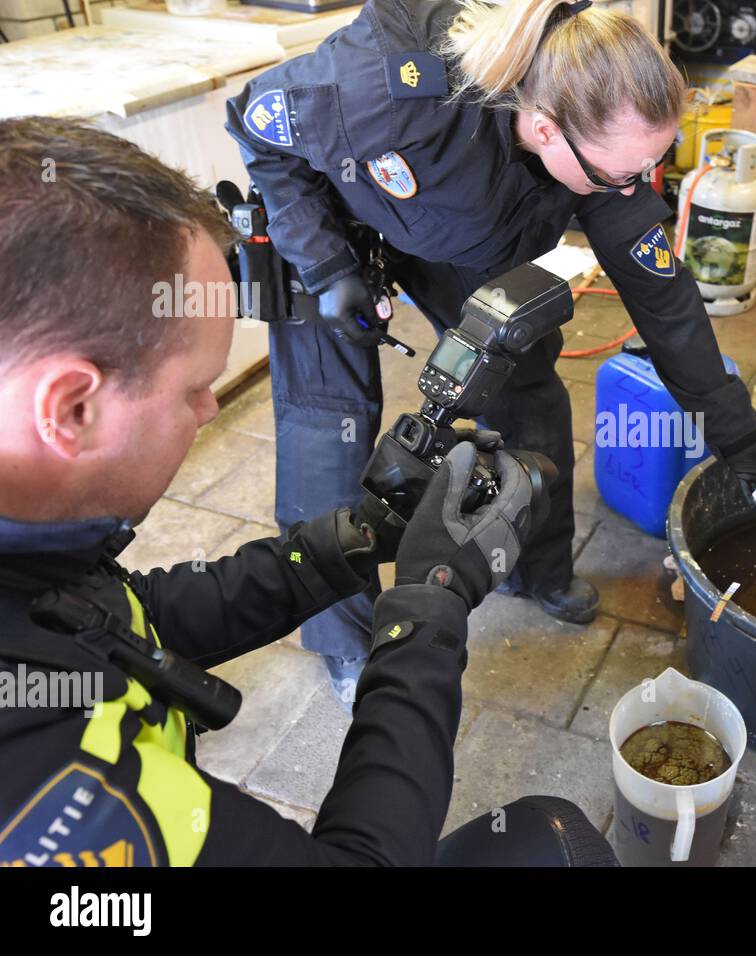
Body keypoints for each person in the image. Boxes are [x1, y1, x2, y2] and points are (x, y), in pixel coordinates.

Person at [0, 118, 615, 867]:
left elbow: (126, 620)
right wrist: (431, 603)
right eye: (195, 389)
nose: (210, 409)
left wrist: (363, 530)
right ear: (70, 407)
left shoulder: (29, 548)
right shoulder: (53, 789)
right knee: (553, 846)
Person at [224, 0, 756, 701]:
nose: (631, 190)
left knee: (527, 387)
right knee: (329, 426)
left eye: (647, 168)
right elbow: (253, 120)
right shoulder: (383, 93)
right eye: (618, 175)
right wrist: (325, 266)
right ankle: (343, 640)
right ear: (548, 128)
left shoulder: (600, 136)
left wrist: (744, 443)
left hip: (461, 229)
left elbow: (667, 308)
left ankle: (537, 568)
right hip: (333, 224)